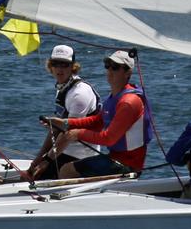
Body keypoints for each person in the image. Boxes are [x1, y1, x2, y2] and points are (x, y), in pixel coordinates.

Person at [43, 50, 152, 178]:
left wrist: (78, 133)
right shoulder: (115, 96)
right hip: (115, 157)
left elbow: (108, 139)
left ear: (128, 72)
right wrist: (64, 123)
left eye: (116, 67)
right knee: (68, 168)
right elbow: (97, 121)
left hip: (127, 165)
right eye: (108, 65)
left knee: (67, 170)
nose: (110, 71)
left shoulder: (128, 102)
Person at [27, 44, 102, 180]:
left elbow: (67, 133)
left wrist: (47, 161)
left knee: (35, 179)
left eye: (65, 65)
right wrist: (37, 160)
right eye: (56, 64)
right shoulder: (63, 88)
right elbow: (55, 130)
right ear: (50, 66)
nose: (60, 69)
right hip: (63, 151)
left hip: (81, 157)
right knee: (30, 174)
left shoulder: (79, 94)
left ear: (73, 67)